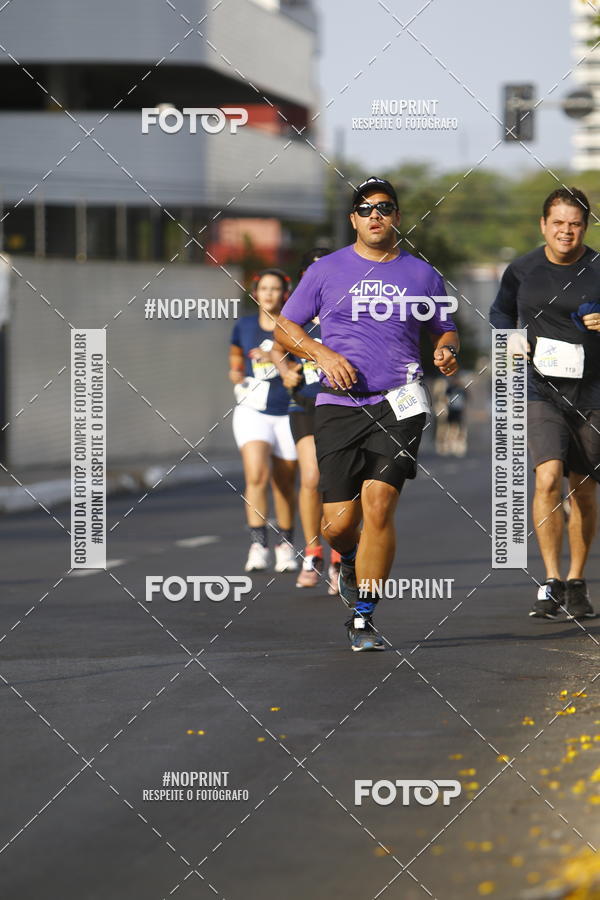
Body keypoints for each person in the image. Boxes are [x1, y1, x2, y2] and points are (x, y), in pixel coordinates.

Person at [274, 176, 460, 650]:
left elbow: (444, 329)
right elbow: (285, 327)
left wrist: (445, 351)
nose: (374, 214)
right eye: (364, 208)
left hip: (400, 402)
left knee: (379, 503)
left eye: (384, 206)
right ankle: (351, 558)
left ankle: (363, 615)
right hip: (339, 406)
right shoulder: (326, 271)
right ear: (352, 219)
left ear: (397, 216)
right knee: (337, 524)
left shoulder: (422, 275)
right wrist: (321, 354)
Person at [490, 187, 600, 620]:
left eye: (574, 223)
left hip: (593, 393)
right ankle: (551, 580)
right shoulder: (522, 269)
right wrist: (512, 341)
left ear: (585, 227)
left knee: (584, 491)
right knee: (547, 479)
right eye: (558, 222)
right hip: (540, 390)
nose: (566, 231)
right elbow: (500, 313)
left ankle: (576, 580)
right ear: (543, 225)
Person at [272, 248, 342, 592]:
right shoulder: (295, 314)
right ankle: (313, 552)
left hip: (343, 403)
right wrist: (285, 369)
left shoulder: (346, 308)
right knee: (312, 477)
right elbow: (276, 343)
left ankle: (340, 556)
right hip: (305, 403)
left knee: (340, 483)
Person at [229, 269, 298, 573]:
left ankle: (286, 544)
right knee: (255, 475)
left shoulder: (295, 328)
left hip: (288, 411)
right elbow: (235, 356)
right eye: (264, 288)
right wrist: (235, 372)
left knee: (283, 483)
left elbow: (302, 366)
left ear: (285, 293)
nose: (269, 294)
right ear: (255, 293)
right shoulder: (243, 325)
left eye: (275, 289)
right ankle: (259, 544)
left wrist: (278, 361)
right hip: (252, 410)